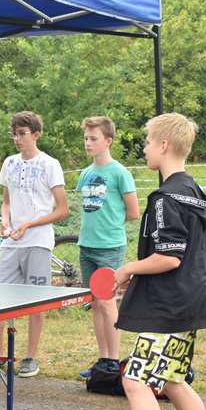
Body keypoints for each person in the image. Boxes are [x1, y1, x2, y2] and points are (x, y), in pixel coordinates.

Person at [97, 113, 206, 410]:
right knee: (172, 379)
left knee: (136, 380)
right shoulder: (194, 191)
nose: (144, 149)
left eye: (147, 142)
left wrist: (127, 269)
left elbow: (169, 256)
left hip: (169, 305)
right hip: (192, 300)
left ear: (164, 146)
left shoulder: (164, 198)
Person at [0, 112, 67, 378]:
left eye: (22, 134)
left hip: (39, 242)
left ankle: (30, 357)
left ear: (36, 134)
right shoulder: (10, 163)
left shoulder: (50, 164)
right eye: (14, 134)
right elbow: (7, 202)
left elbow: (62, 210)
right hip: (12, 243)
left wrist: (29, 225)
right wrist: (6, 221)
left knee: (36, 301)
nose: (17, 139)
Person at [74, 116, 139, 381]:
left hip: (109, 246)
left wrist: (109, 226)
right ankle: (103, 360)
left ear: (108, 141)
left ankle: (113, 361)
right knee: (96, 303)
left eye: (94, 138)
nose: (88, 143)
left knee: (107, 301)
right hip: (86, 245)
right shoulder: (85, 173)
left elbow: (133, 212)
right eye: (86, 138)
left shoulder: (120, 173)